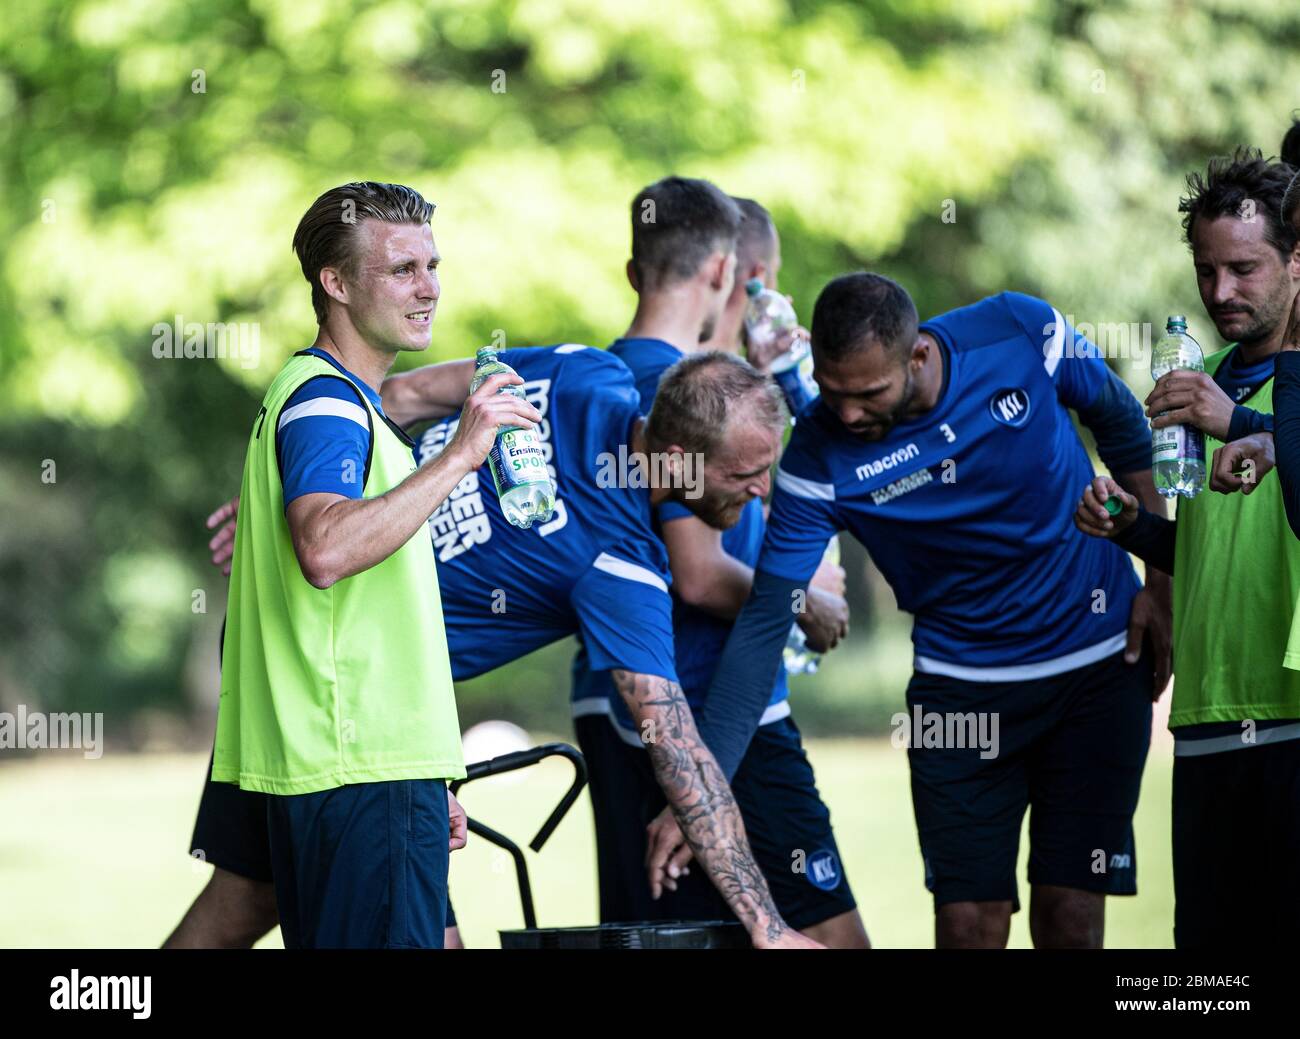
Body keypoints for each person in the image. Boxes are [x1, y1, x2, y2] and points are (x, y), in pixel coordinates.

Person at [172, 344, 821, 950]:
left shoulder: (581, 371)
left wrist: (303, 488)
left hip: (272, 633)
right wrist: (769, 928)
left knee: (248, 895)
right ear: (677, 458)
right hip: (347, 694)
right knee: (418, 931)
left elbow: (399, 393)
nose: (764, 490)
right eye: (749, 472)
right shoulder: (618, 569)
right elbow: (678, 749)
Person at [695, 271, 1172, 949]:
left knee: (1070, 912)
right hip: (959, 689)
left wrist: (1161, 583)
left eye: (868, 394)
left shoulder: (1018, 331)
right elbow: (765, 622)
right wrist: (703, 786)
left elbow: (1124, 427)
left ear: (917, 355)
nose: (849, 414)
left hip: (1096, 665)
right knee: (968, 924)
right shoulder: (817, 456)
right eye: (832, 393)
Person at [206, 181, 543, 949]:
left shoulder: (337, 400)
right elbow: (323, 547)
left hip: (374, 771)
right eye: (401, 270)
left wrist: (428, 774)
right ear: (336, 282)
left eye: (432, 265)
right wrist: (462, 453)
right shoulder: (326, 401)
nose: (428, 288)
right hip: (357, 771)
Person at [570, 179, 866, 947]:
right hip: (713, 715)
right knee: (835, 940)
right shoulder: (678, 394)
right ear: (733, 274)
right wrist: (803, 598)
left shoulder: (614, 371)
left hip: (657, 712)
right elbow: (697, 572)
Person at [1077, 150, 1300, 948]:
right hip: (1207, 719)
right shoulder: (1194, 377)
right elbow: (1207, 540)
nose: (1220, 293)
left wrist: (1237, 423)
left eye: (1244, 268)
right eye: (1206, 270)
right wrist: (1131, 526)